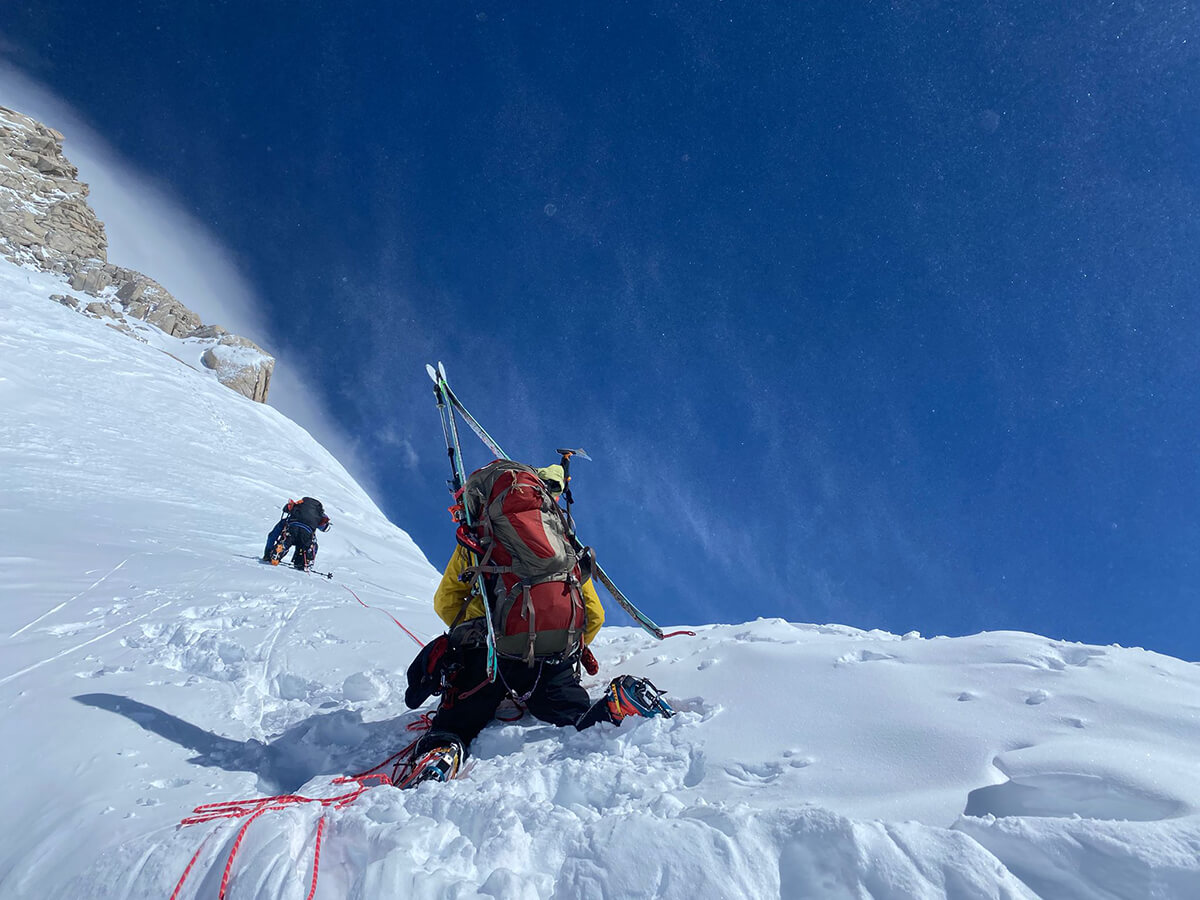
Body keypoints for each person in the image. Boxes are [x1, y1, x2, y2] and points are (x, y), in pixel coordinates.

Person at [400, 463, 672, 787]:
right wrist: (570, 648)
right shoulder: (564, 544)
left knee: (459, 717)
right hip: (553, 657)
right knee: (574, 715)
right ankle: (618, 703)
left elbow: (445, 602)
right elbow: (594, 614)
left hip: (490, 658)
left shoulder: (476, 541)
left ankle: (442, 752)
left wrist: (485, 625)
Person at [263, 497, 331, 571]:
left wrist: (267, 554)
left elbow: (272, 535)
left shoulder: (297, 505)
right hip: (307, 533)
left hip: (292, 527)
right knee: (309, 546)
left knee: (286, 540)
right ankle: (306, 561)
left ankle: (280, 548)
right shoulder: (319, 513)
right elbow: (324, 527)